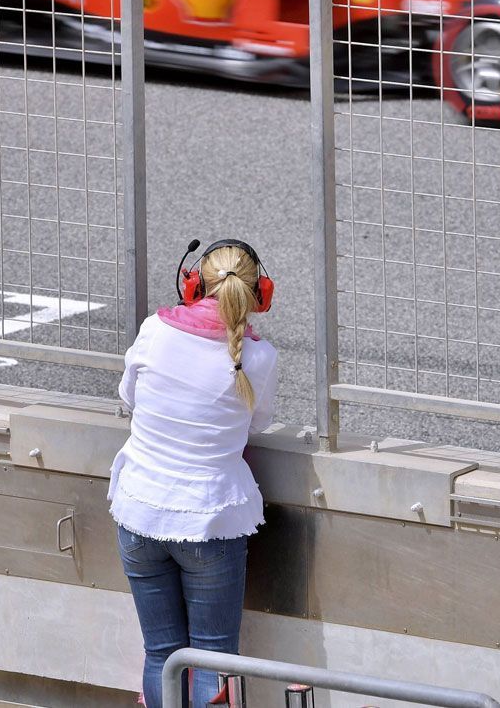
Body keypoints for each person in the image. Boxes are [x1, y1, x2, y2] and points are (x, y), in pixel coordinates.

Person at [109, 239, 280, 708]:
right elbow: (258, 424)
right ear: (259, 293)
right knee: (213, 657)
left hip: (139, 512)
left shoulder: (154, 331)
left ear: (192, 283)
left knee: (161, 653)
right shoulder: (258, 359)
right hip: (209, 521)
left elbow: (130, 397)